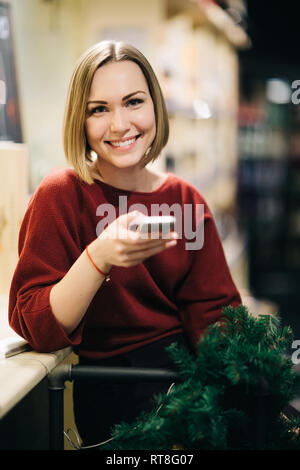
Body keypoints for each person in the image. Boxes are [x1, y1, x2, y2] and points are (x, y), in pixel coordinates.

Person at [8, 40, 241, 447]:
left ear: (155, 106)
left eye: (133, 102)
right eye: (99, 109)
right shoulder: (61, 195)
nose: (119, 125)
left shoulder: (186, 200)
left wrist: (242, 384)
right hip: (107, 396)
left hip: (183, 392)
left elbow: (215, 315)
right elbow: (38, 325)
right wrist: (99, 257)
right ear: (79, 121)